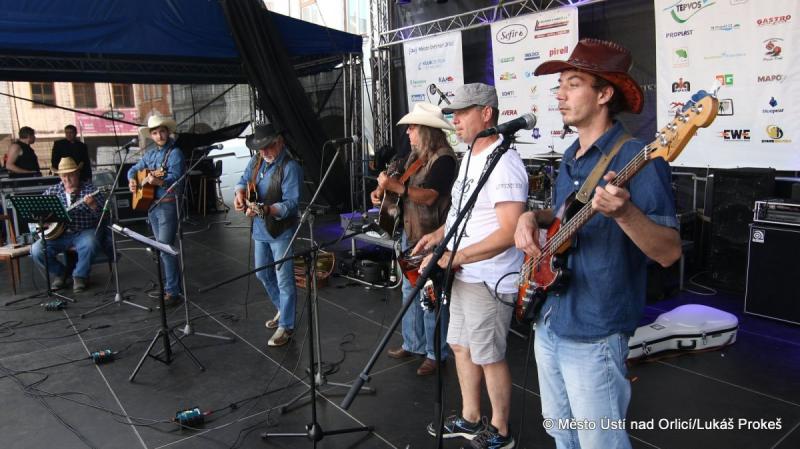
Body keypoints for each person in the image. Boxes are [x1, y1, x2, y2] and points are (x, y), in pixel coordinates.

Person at [514, 39, 682, 449]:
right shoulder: (572, 155)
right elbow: (563, 216)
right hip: (550, 317)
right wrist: (530, 217)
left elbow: (669, 252)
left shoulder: (641, 158)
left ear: (604, 94)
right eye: (560, 85)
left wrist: (624, 213)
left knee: (599, 442)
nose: (560, 94)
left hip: (594, 329)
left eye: (572, 84)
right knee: (561, 433)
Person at [416, 83, 528, 449]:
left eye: (463, 113)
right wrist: (437, 235)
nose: (455, 120)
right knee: (460, 345)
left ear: (487, 113)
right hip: (463, 273)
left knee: (488, 355)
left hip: (489, 277)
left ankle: (500, 431)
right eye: (453, 114)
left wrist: (457, 257)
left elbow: (510, 231)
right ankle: (470, 417)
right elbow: (463, 213)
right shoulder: (469, 158)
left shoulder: (504, 161)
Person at [370, 102, 458, 376]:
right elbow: (396, 178)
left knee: (430, 297)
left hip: (431, 239)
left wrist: (396, 188)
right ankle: (413, 343)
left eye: (413, 127)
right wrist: (381, 191)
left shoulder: (444, 159)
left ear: (427, 130)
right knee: (409, 291)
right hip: (411, 235)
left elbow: (430, 196)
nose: (408, 132)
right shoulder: (414, 156)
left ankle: (435, 353)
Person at [233, 123, 302, 347]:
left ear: (279, 142)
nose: (264, 152)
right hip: (260, 229)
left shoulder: (290, 167)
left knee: (284, 280)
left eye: (268, 146)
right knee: (263, 274)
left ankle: (287, 326)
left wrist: (267, 209)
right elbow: (242, 181)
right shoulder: (257, 161)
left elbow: (291, 204)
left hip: (281, 231)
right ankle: (283, 309)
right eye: (260, 148)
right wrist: (239, 194)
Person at [127, 115, 185, 305]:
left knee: (165, 248)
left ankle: (172, 291)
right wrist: (132, 180)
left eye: (162, 131)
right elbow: (133, 169)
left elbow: (176, 179)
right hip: (152, 205)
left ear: (168, 132)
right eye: (155, 133)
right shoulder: (150, 154)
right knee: (163, 249)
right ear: (151, 135)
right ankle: (172, 287)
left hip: (167, 204)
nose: (159, 136)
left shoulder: (175, 154)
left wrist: (158, 181)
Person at [31, 157, 104, 293]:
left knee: (90, 243)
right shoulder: (52, 192)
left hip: (82, 231)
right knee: (36, 250)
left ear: (78, 174)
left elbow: (104, 217)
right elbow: (37, 213)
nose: (67, 179)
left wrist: (94, 206)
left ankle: (80, 276)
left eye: (70, 175)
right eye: (63, 175)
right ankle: (61, 273)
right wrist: (44, 220)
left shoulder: (91, 190)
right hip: (57, 235)